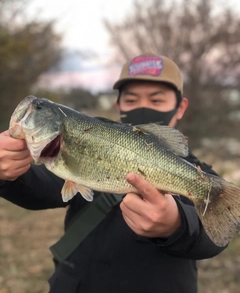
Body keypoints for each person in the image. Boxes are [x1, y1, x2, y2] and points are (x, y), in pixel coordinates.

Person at [0, 52, 226, 293]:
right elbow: (42, 188)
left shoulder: (199, 174)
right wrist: (8, 175)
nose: (142, 107)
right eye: (131, 100)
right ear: (118, 105)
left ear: (180, 107)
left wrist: (177, 223)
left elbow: (214, 237)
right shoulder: (85, 139)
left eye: (156, 100)